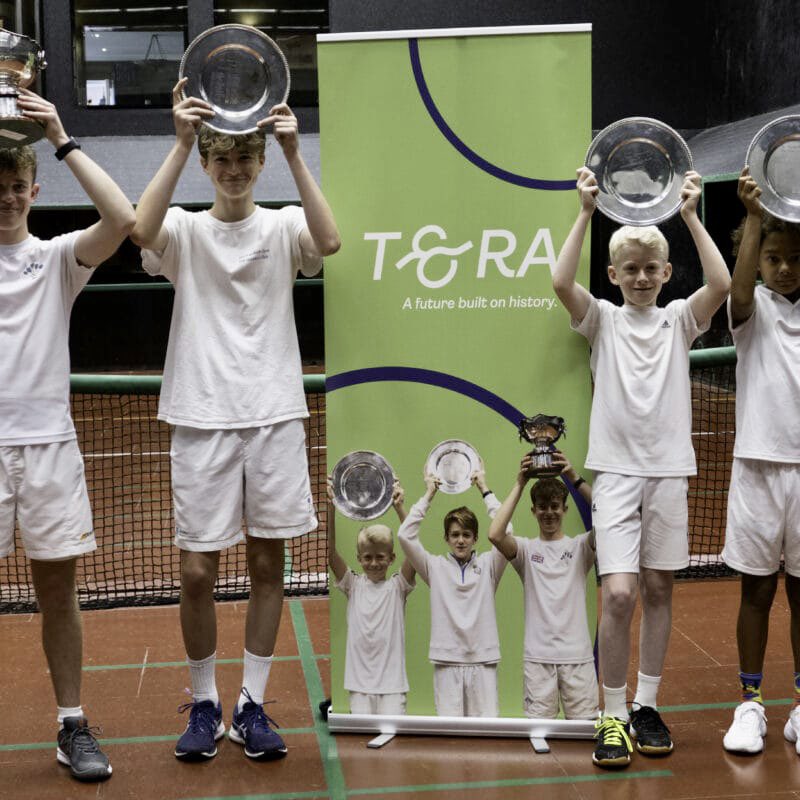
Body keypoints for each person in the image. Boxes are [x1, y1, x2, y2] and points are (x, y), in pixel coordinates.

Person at [129, 79, 340, 762]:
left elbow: (329, 240)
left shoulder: (281, 225)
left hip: (273, 414)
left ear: (259, 163)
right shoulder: (186, 231)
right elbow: (139, 229)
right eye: (221, 160)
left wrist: (295, 153)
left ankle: (251, 705)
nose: (234, 170)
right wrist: (180, 138)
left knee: (266, 562)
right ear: (206, 165)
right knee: (196, 571)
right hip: (201, 416)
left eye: (245, 160)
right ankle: (204, 702)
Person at [552, 167, 731, 768]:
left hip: (669, 474)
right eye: (629, 269)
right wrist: (584, 212)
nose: (641, 278)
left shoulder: (680, 319)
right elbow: (559, 280)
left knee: (658, 587)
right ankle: (611, 713)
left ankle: (647, 705)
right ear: (612, 276)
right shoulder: (601, 320)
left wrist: (689, 215)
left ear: (666, 273)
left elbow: (722, 282)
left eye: (651, 269)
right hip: (616, 475)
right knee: (621, 593)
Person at [0, 90, 135, 781]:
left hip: (48, 446)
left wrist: (59, 132)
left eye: (17, 187)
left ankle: (71, 724)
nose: (7, 199)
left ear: (33, 188)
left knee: (59, 594)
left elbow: (124, 218)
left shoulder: (55, 259)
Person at [720, 168, 800, 755]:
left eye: (795, 258)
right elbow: (740, 291)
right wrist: (752, 218)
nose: (785, 268)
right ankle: (750, 705)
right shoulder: (751, 315)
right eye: (774, 258)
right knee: (756, 594)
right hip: (756, 468)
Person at [487, 450, 597, 720]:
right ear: (533, 510)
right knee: (539, 735)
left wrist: (572, 475)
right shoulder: (525, 550)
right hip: (538, 660)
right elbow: (495, 534)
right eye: (543, 506)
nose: (549, 512)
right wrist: (520, 483)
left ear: (564, 509)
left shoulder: (581, 547)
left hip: (577, 658)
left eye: (555, 505)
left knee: (584, 734)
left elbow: (608, 517)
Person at [398, 468, 509, 717]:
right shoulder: (434, 567)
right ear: (446, 538)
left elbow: (505, 531)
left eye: (466, 535)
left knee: (486, 736)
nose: (461, 540)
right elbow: (405, 535)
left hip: (483, 660)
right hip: (447, 662)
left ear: (476, 538)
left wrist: (484, 489)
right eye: (455, 535)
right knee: (452, 737)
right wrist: (429, 494)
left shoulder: (491, 564)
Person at [328, 478, 416, 715]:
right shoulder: (353, 585)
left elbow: (414, 550)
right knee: (363, 746)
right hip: (359, 687)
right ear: (359, 559)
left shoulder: (398, 587)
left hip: (393, 688)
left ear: (391, 558)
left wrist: (399, 508)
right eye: (367, 557)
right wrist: (331, 509)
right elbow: (330, 552)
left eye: (380, 557)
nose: (374, 563)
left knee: (392, 747)